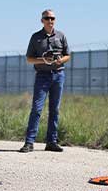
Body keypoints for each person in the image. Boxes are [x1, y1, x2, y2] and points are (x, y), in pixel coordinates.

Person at [19, 9, 71, 153]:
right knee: (37, 109)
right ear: (42, 20)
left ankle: (51, 142)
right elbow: (29, 59)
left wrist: (61, 59)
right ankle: (29, 142)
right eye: (47, 18)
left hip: (58, 75)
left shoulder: (61, 36)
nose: (50, 20)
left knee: (55, 110)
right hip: (42, 76)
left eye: (52, 18)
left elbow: (68, 55)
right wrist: (43, 60)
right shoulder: (35, 37)